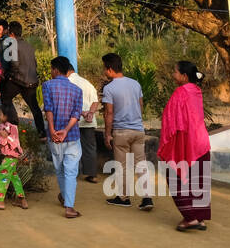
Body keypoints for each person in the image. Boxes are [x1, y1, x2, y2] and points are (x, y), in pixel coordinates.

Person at [158, 60, 211, 231]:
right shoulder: (196, 91)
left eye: (175, 72)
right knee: (198, 180)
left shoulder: (181, 92)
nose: (173, 75)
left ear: (184, 76)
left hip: (185, 143)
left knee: (175, 176)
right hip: (201, 142)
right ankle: (199, 217)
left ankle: (190, 218)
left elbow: (171, 119)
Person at [102, 53, 152, 210]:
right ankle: (147, 198)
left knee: (122, 165)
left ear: (110, 69)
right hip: (138, 130)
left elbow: (109, 113)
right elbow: (141, 105)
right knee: (141, 164)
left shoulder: (109, 88)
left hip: (121, 131)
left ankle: (123, 198)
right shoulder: (135, 84)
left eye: (104, 68)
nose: (104, 71)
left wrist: (107, 133)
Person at [43, 57, 84, 219]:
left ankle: (65, 197)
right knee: (70, 172)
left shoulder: (47, 85)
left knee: (60, 169)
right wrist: (66, 130)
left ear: (55, 69)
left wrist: (53, 130)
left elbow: (49, 109)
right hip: (72, 136)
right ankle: (69, 206)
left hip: (54, 137)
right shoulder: (77, 90)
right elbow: (76, 115)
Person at [0, 20, 44, 133]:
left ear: (11, 34)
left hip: (18, 80)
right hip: (31, 82)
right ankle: (42, 133)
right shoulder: (29, 45)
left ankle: (11, 126)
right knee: (35, 108)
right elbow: (35, 63)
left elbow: (14, 65)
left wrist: (9, 75)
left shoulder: (13, 45)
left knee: (5, 97)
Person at [66, 63, 103, 183]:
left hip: (72, 121)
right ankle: (92, 174)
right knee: (89, 148)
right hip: (88, 121)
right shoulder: (87, 83)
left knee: (70, 147)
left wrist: (81, 113)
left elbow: (69, 104)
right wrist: (90, 113)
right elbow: (95, 102)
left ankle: (71, 173)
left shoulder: (67, 83)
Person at [0, 114, 27, 210]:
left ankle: (0, 202)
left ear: (6, 115)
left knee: (1, 175)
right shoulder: (13, 127)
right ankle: (21, 199)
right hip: (14, 156)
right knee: (14, 176)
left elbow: (2, 141)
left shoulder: (7, 127)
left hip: (10, 156)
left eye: (1, 113)